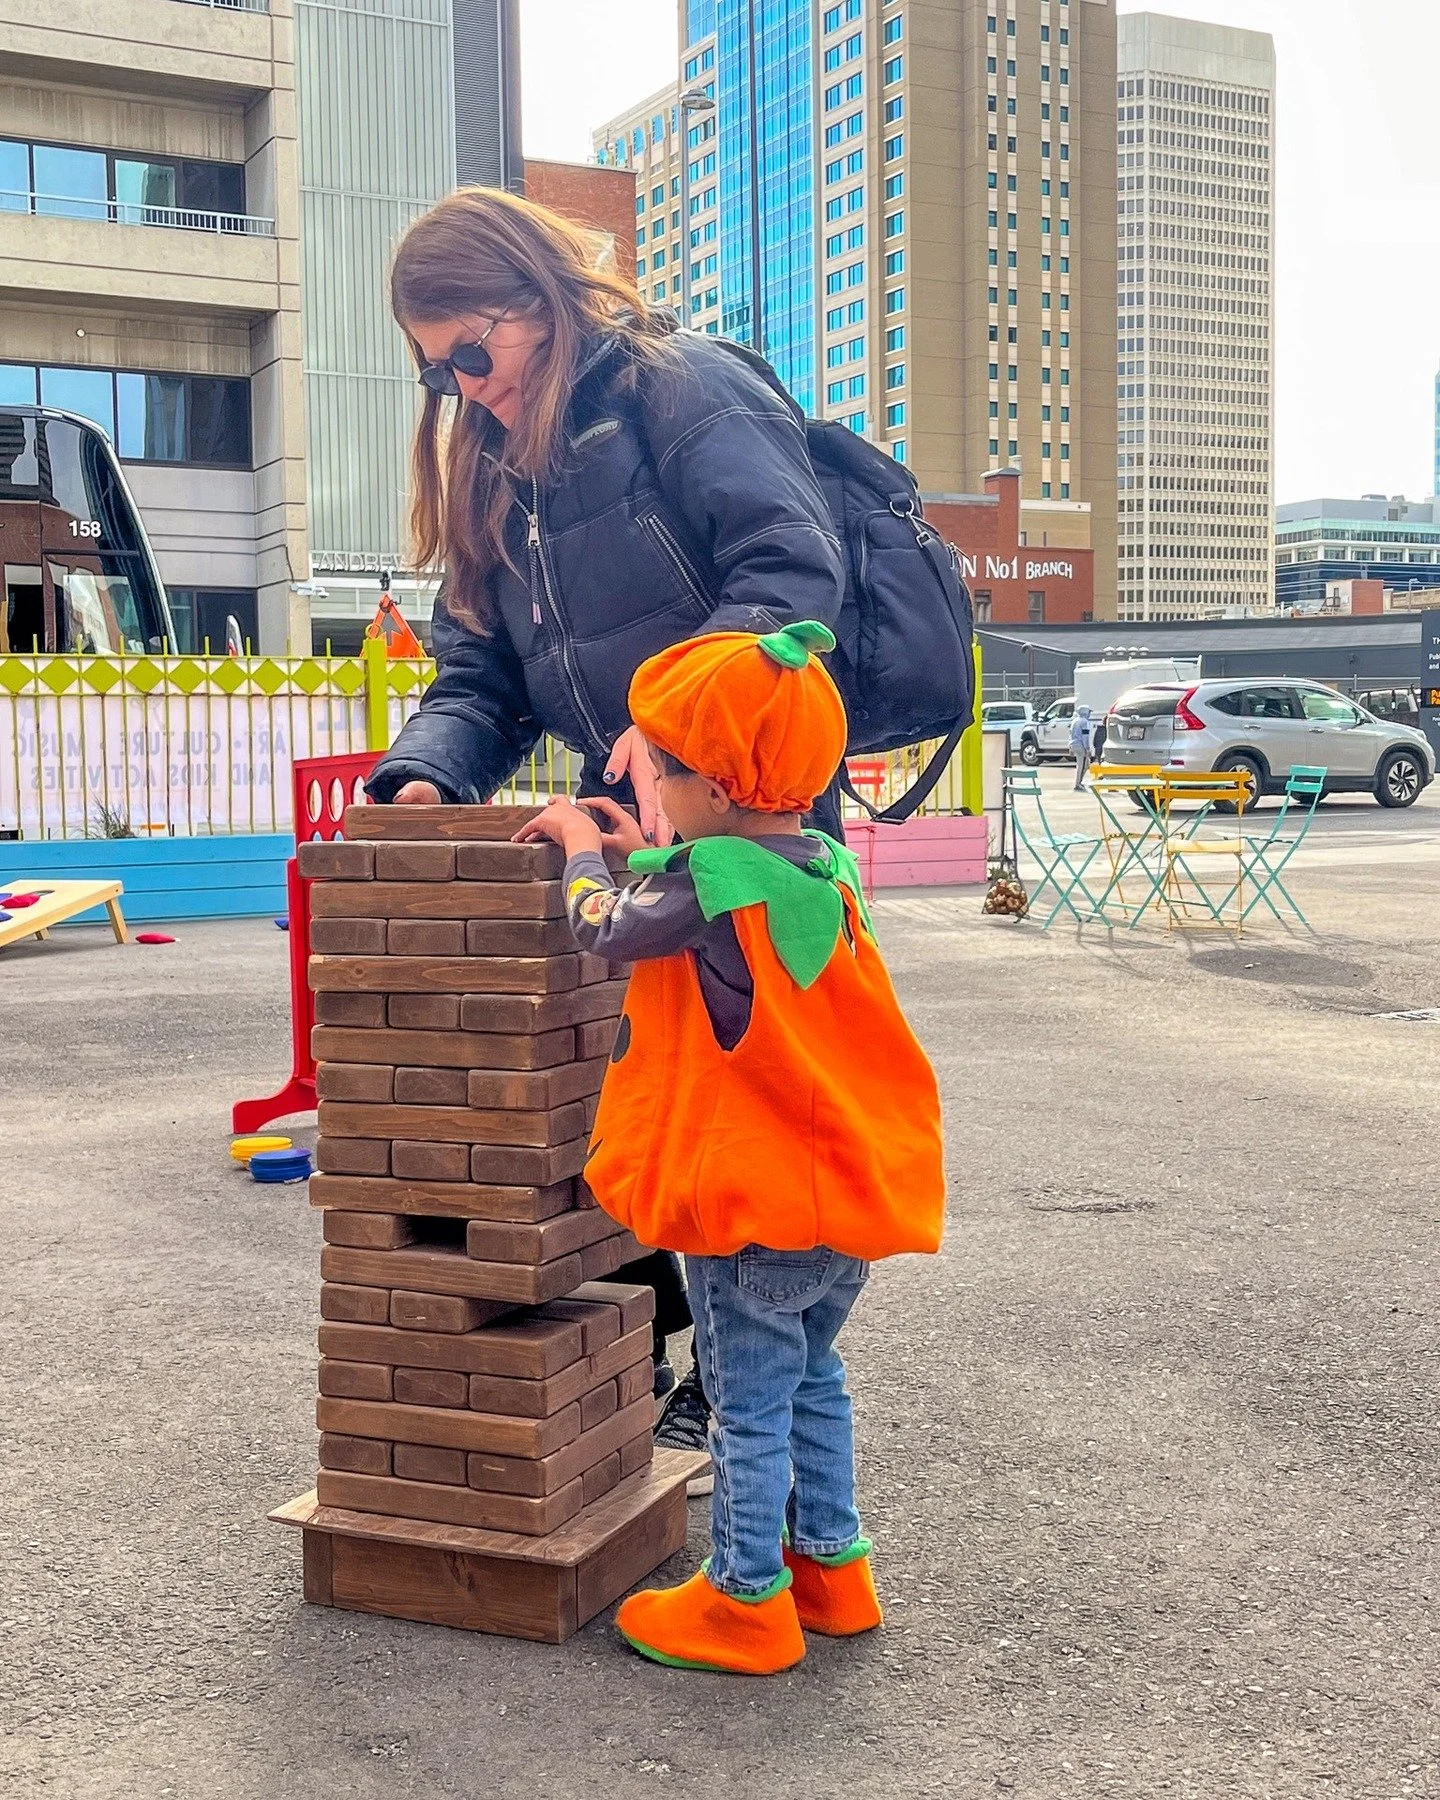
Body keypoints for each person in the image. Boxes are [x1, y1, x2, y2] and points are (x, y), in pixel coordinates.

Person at [363, 186, 848, 1456]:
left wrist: (681, 719)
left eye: (475, 349)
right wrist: (428, 776)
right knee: (628, 1102)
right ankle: (652, 1360)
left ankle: (756, 1386)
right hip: (628, 806)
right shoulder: (489, 466)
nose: (464, 387)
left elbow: (793, 572)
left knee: (756, 1106)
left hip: (745, 802)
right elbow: (477, 675)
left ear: (542, 299)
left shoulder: (683, 387)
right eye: (435, 370)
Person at [516, 621, 946, 1676]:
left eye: (659, 769)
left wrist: (581, 845)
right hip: (841, 1199)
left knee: (744, 1403)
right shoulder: (822, 863)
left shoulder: (706, 883)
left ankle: (745, 1601)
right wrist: (644, 852)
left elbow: (607, 926)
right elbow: (701, 883)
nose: (649, 785)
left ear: (713, 786)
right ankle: (831, 1571)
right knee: (813, 1381)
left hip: (751, 1209)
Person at [1071, 704, 1095, 789]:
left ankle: (1079, 782)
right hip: (1081, 745)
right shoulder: (1085, 722)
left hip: (1073, 744)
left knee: (1084, 765)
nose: (1089, 714)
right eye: (1088, 712)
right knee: (1081, 766)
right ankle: (1078, 784)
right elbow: (1085, 736)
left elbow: (1070, 734)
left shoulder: (1074, 721)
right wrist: (1087, 748)